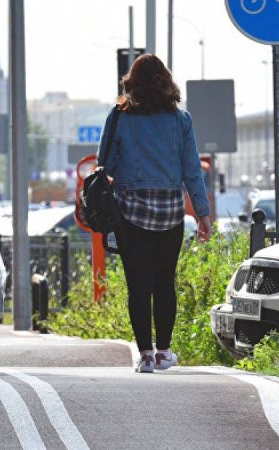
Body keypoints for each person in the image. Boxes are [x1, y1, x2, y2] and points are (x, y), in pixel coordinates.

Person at [98, 54, 213, 373]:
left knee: (139, 284)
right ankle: (164, 352)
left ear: (131, 83)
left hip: (132, 211)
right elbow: (192, 171)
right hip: (170, 214)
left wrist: (125, 176)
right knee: (164, 282)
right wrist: (203, 213)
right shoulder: (181, 120)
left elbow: (104, 163)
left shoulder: (120, 116)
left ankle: (145, 355)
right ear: (166, 83)